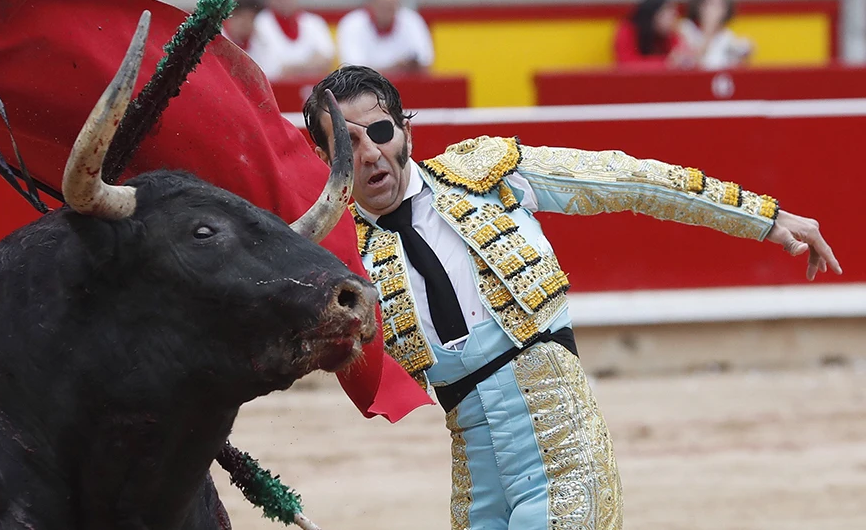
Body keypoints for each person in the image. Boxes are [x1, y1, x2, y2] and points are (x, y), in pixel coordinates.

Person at [301, 65, 839, 530]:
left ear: (405, 129)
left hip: (562, 444)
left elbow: (631, 181)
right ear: (325, 157)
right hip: (472, 462)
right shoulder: (340, 259)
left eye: (380, 130)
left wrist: (764, 218)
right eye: (348, 144)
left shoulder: (485, 177)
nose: (370, 153)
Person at [335, 0, 433, 75]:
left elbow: (425, 64)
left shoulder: (411, 20)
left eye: (392, 6)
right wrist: (396, 67)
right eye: (383, 5)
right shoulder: (352, 23)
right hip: (366, 89)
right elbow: (353, 72)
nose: (387, 10)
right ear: (371, 3)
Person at [677, 0, 753, 70]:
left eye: (720, 4)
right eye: (710, 3)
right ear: (698, 6)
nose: (715, 10)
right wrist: (708, 29)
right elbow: (691, 62)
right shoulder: (685, 28)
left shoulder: (727, 35)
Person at [612, 0, 693, 68]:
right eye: (670, 16)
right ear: (654, 15)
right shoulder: (628, 29)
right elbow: (627, 64)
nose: (673, 20)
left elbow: (680, 57)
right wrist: (666, 63)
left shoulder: (669, 34)